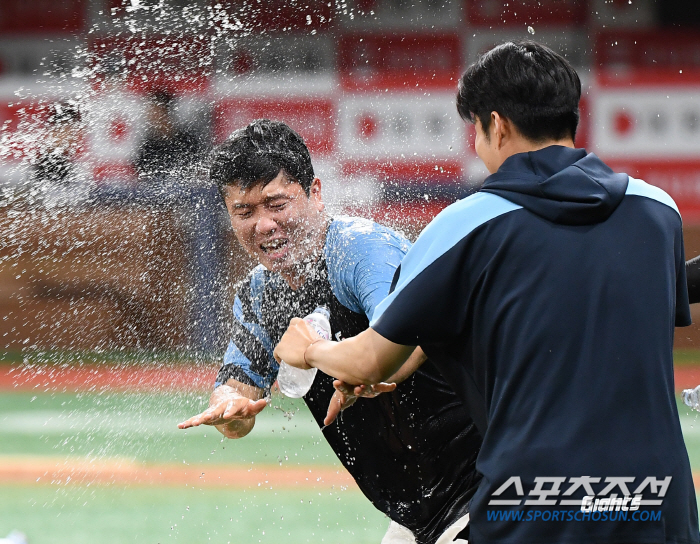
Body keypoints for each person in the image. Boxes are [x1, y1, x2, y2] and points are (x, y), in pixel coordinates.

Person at [274, 42, 699, 544]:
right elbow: (570, 305)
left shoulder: (467, 223)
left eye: (475, 129)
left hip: (538, 508)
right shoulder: (657, 210)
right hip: (657, 503)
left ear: (496, 125)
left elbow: (369, 362)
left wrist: (309, 349)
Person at [177, 120, 482, 544]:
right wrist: (230, 410)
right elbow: (236, 390)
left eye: (276, 204)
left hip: (485, 488)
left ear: (315, 193)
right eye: (243, 212)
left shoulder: (360, 249)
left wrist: (344, 362)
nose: (263, 225)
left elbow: (412, 340)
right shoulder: (260, 295)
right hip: (417, 516)